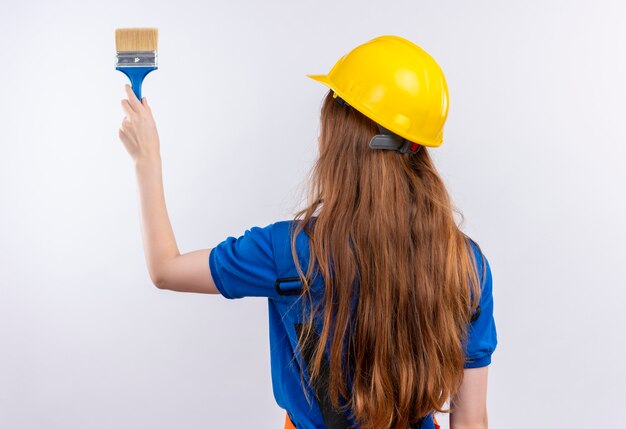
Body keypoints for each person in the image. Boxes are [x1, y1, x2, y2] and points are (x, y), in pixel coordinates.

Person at [118, 35, 498, 429]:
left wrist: (146, 159)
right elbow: (470, 421)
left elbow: (165, 268)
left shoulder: (288, 252)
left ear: (338, 145)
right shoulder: (465, 266)